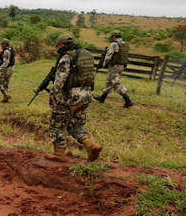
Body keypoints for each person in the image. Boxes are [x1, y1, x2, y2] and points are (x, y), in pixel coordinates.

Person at [45, 34, 102, 163]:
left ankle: (58, 153)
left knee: (57, 124)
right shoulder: (86, 54)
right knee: (75, 124)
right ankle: (91, 145)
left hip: (70, 97)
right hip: (86, 95)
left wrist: (53, 97)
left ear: (60, 45)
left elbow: (59, 81)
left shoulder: (66, 56)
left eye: (58, 46)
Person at [93, 30, 133, 108]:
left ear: (114, 37)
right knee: (109, 81)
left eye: (111, 37)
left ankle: (128, 101)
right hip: (121, 66)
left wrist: (104, 64)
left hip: (114, 66)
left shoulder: (114, 44)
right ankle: (102, 98)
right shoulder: (125, 44)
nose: (111, 39)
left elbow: (109, 56)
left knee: (116, 82)